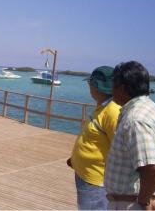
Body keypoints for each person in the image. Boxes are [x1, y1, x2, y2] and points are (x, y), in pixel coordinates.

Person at [105, 61, 155, 210]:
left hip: (132, 204)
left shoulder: (135, 119)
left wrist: (144, 200)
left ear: (123, 88)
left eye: (113, 86)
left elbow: (153, 167)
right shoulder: (151, 109)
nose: (111, 90)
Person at [67, 66, 121, 210]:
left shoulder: (113, 111)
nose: (89, 87)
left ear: (96, 86)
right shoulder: (102, 107)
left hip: (96, 181)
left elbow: (122, 150)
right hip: (85, 175)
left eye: (90, 83)